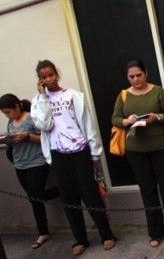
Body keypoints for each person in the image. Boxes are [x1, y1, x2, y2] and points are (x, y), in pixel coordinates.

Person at [30, 60, 116, 256]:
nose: (48, 79)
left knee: (91, 194)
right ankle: (80, 239)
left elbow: (87, 124)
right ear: (40, 80)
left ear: (57, 74)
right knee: (69, 198)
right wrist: (43, 99)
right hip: (58, 154)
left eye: (51, 75)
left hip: (79, 151)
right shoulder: (37, 102)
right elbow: (44, 125)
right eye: (44, 77)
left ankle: (106, 235)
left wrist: (95, 152)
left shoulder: (74, 96)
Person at [111, 59, 164, 248]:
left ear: (146, 73)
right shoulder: (123, 95)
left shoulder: (158, 92)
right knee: (148, 192)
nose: (135, 79)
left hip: (161, 147)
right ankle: (155, 233)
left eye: (138, 75)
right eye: (131, 77)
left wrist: (157, 117)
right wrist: (126, 121)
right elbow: (114, 119)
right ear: (127, 77)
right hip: (136, 151)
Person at [0, 94, 58, 249]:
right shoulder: (11, 122)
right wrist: (6, 140)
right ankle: (44, 231)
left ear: (17, 106)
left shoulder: (31, 118)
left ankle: (65, 188)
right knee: (34, 198)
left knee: (35, 197)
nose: (7, 115)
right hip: (20, 164)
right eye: (5, 113)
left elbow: (45, 138)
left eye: (9, 111)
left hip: (37, 162)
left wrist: (27, 136)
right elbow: (12, 141)